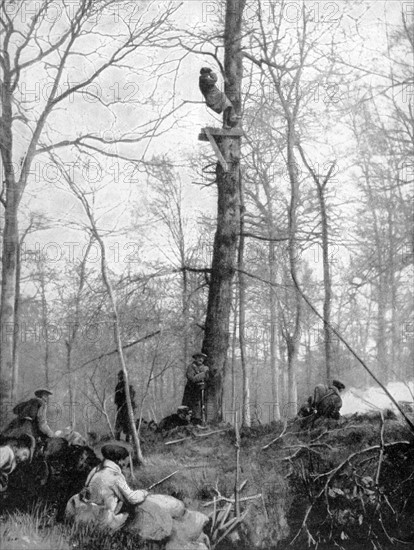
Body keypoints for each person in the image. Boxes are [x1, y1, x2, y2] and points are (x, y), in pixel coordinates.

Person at [65, 441, 148, 530]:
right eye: (125, 459)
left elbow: (86, 486)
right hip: (101, 519)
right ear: (119, 461)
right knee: (132, 516)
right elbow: (132, 498)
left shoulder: (96, 470)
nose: (126, 463)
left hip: (85, 513)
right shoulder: (116, 477)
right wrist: (143, 492)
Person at [182, 352, 209, 421]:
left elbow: (207, 379)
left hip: (201, 390)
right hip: (191, 390)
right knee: (189, 407)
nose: (200, 359)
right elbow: (192, 379)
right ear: (195, 358)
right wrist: (203, 374)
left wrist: (205, 376)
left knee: (201, 407)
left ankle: (200, 421)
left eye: (202, 358)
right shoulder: (191, 367)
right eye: (199, 357)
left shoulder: (205, 368)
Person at [114, 371, 136, 443]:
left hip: (126, 409)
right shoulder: (119, 386)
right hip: (122, 409)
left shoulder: (128, 386)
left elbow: (131, 397)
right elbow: (116, 399)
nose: (119, 377)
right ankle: (118, 442)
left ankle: (127, 443)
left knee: (128, 427)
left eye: (120, 375)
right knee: (119, 428)